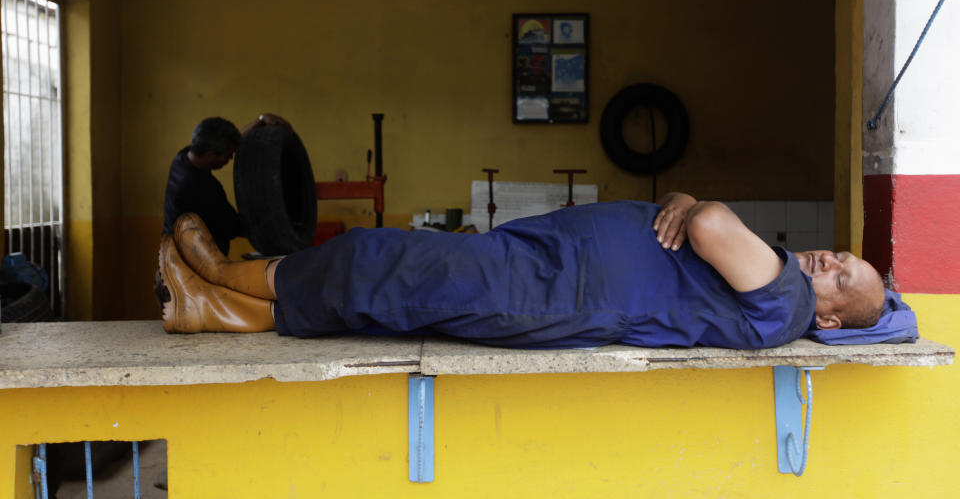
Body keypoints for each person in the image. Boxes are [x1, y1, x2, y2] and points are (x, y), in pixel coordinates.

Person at [155, 192, 886, 350]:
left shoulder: (786, 300)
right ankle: (220, 305)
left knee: (375, 259)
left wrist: (693, 199)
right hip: (547, 274)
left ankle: (223, 270)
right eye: (842, 257)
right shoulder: (783, 287)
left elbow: (709, 227)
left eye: (841, 279)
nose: (832, 261)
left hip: (548, 290)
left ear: (827, 316)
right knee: (387, 287)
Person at [161, 114, 289, 256]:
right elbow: (234, 227)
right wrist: (280, 227)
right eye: (227, 156)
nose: (230, 158)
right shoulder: (202, 188)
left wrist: (260, 121)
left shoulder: (183, 158)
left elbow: (230, 141)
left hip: (172, 256)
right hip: (190, 266)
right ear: (210, 155)